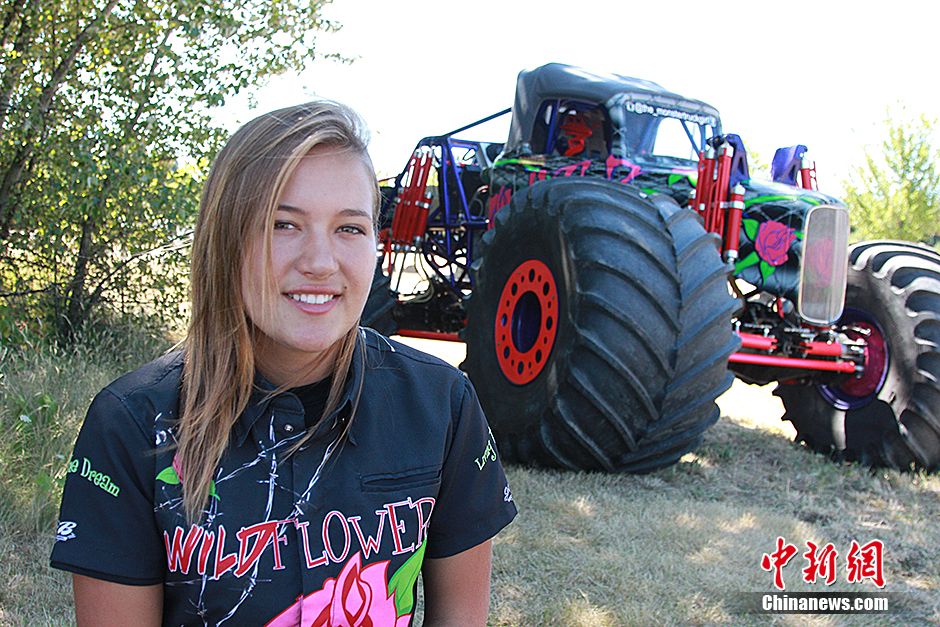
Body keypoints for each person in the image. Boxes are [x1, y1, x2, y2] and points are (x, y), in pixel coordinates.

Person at [50, 100, 517, 626]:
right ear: (227, 239)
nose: (320, 263)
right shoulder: (133, 424)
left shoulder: (441, 405)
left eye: (349, 228)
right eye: (283, 224)